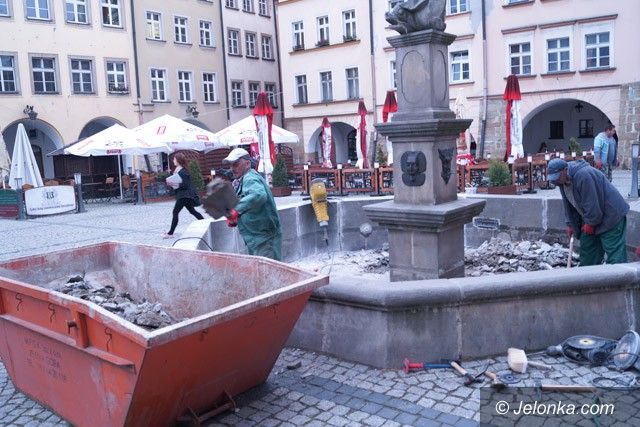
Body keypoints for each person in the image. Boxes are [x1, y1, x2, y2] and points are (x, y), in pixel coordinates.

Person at [547, 158, 629, 266]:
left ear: (565, 170)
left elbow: (592, 202)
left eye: (557, 177)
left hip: (611, 215)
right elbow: (569, 205)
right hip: (593, 216)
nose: (555, 181)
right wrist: (571, 224)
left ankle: (620, 276)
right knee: (588, 251)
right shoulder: (562, 182)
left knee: (615, 254)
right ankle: (588, 275)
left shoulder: (583, 175)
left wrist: (590, 223)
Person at [223, 148, 282, 260]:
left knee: (268, 270)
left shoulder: (250, 178)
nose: (232, 168)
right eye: (230, 165)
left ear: (247, 164)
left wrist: (236, 210)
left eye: (235, 164)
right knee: (262, 269)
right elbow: (249, 202)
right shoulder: (243, 179)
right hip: (257, 238)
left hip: (265, 239)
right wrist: (236, 218)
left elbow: (259, 195)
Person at [164, 153, 204, 238]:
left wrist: (173, 183)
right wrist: (172, 183)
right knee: (192, 211)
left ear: (178, 160)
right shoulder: (179, 170)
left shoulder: (183, 171)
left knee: (175, 212)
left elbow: (185, 185)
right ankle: (205, 223)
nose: (173, 161)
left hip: (184, 196)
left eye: (174, 159)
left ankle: (170, 233)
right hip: (184, 196)